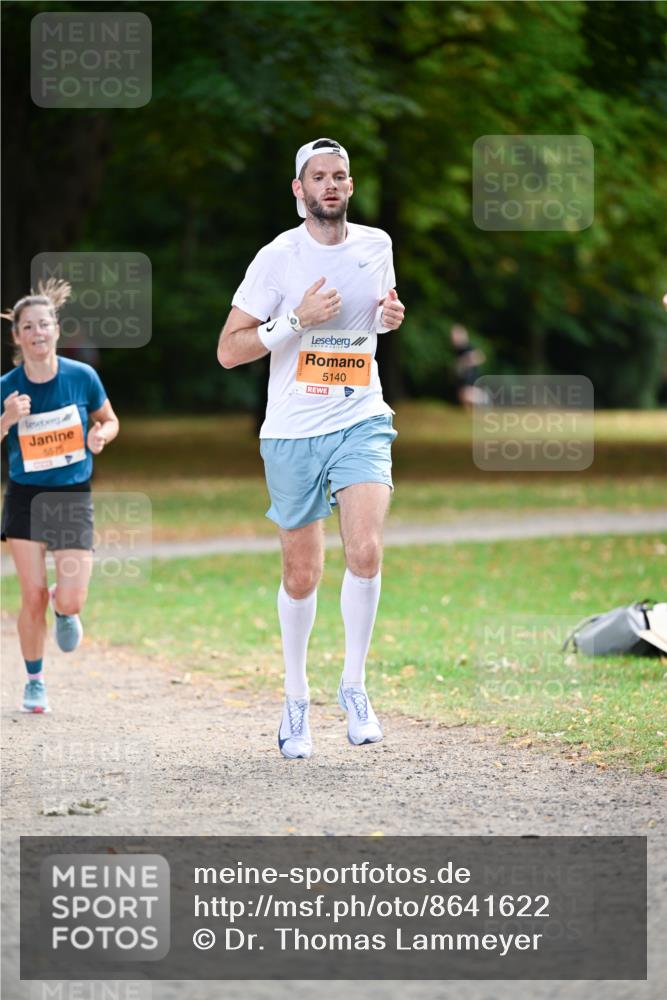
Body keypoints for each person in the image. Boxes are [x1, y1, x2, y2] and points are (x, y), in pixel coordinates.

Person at [218, 138, 405, 759]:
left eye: (340, 176)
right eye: (318, 177)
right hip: (293, 430)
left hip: (361, 416)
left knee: (367, 548)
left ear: (350, 187)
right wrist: (295, 320)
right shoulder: (277, 258)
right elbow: (230, 349)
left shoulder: (376, 246)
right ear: (298, 190)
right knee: (302, 574)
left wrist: (389, 318)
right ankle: (296, 698)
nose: (330, 185)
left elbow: (373, 318)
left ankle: (353, 684)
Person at [1, 279, 119, 713]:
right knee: (30, 594)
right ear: (17, 336)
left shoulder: (81, 376)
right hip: (25, 496)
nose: (37, 333)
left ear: (56, 328)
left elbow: (109, 420)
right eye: (27, 327)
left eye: (44, 324)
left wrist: (101, 435)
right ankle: (34, 681)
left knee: (69, 597)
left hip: (72, 496)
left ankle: (65, 609)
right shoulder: (7, 387)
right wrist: (7, 417)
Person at [450, 323, 488, 409]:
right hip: (464, 378)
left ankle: (484, 398)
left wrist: (466, 362)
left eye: (455, 335)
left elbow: (480, 356)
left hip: (471, 377)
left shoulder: (466, 347)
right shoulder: (458, 350)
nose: (453, 338)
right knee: (462, 395)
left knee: (465, 395)